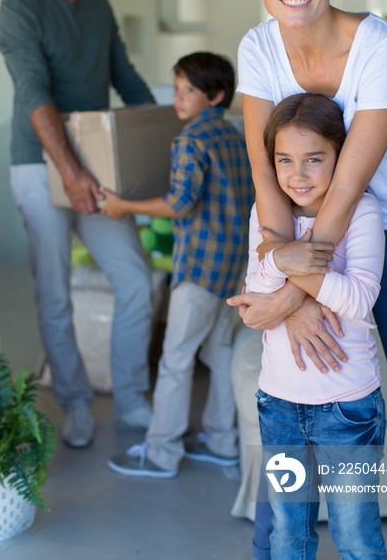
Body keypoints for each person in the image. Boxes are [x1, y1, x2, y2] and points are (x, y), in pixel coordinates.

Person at [227, 0, 387, 549]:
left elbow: (347, 186)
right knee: (282, 438)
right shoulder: (258, 47)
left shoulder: (380, 45)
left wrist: (294, 293)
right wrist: (282, 270)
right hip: (296, 241)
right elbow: (267, 172)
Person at [0, 0, 155, 448]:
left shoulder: (98, 7)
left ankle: (132, 398)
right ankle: (76, 402)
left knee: (134, 279)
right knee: (54, 292)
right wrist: (66, 169)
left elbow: (127, 81)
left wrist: (174, 133)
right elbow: (34, 93)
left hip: (97, 162)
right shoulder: (20, 7)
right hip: (38, 164)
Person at [101, 52, 254, 477]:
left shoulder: (190, 140)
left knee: (176, 359)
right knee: (219, 351)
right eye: (177, 87)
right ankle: (223, 442)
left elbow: (180, 202)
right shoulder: (235, 136)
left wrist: (122, 206)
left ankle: (163, 452)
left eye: (189, 89)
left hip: (200, 267)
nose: (178, 97)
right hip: (233, 267)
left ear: (216, 95)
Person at [248, 92, 387, 558]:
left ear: (341, 155)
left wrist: (284, 260)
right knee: (288, 535)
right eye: (284, 160)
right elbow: (255, 299)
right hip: (279, 406)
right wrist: (281, 259)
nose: (298, 174)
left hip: (347, 410)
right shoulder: (265, 214)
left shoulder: (362, 211)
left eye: (314, 159)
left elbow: (359, 297)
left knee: (355, 539)